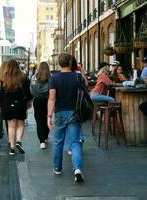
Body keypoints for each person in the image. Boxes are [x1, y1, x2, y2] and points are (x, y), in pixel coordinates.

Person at [47, 52, 84, 182]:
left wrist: (49, 116)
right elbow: (84, 95)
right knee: (75, 142)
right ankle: (78, 169)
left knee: (58, 142)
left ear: (59, 63)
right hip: (75, 112)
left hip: (59, 112)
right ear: (70, 63)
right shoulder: (78, 77)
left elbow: (52, 98)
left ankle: (57, 168)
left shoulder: (54, 78)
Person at [0, 59, 32, 155]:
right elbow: (27, 92)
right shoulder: (23, 76)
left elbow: (2, 94)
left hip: (8, 103)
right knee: (20, 123)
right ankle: (19, 141)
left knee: (11, 126)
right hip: (20, 102)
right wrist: (29, 101)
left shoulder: (5, 77)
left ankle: (12, 148)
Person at [30, 62, 51, 149]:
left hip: (37, 100)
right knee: (47, 118)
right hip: (48, 100)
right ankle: (45, 136)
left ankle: (41, 141)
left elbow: (31, 89)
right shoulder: (50, 77)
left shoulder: (34, 77)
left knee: (39, 121)